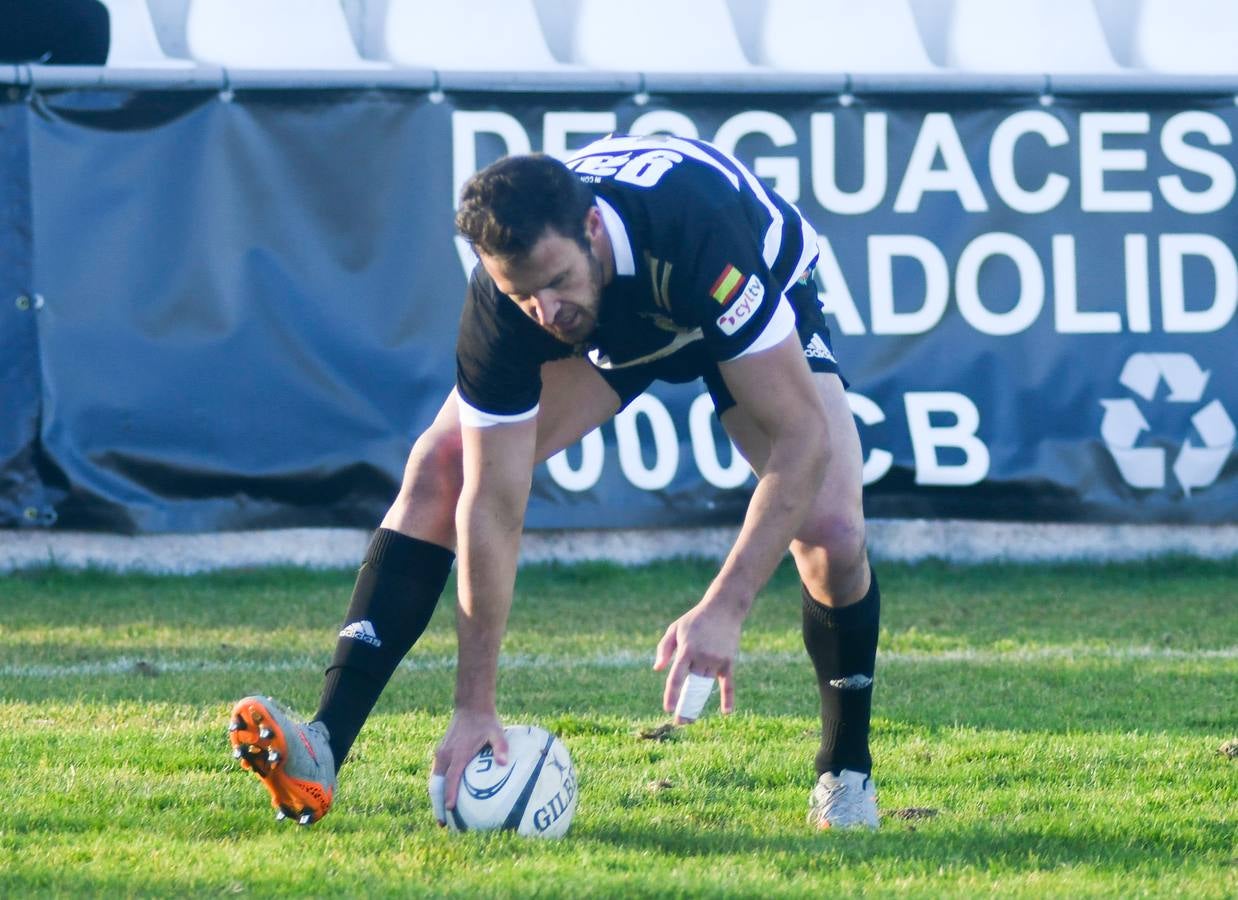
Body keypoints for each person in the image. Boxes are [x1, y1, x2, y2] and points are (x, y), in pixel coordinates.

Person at [228, 133, 883, 831]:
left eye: (555, 281)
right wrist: (473, 704)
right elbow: (492, 502)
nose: (544, 311)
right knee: (442, 467)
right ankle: (324, 746)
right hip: (621, 329)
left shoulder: (696, 232)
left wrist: (726, 603)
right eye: (523, 294)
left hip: (744, 292)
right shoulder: (508, 308)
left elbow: (801, 439)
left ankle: (845, 769)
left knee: (832, 531)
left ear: (592, 230)